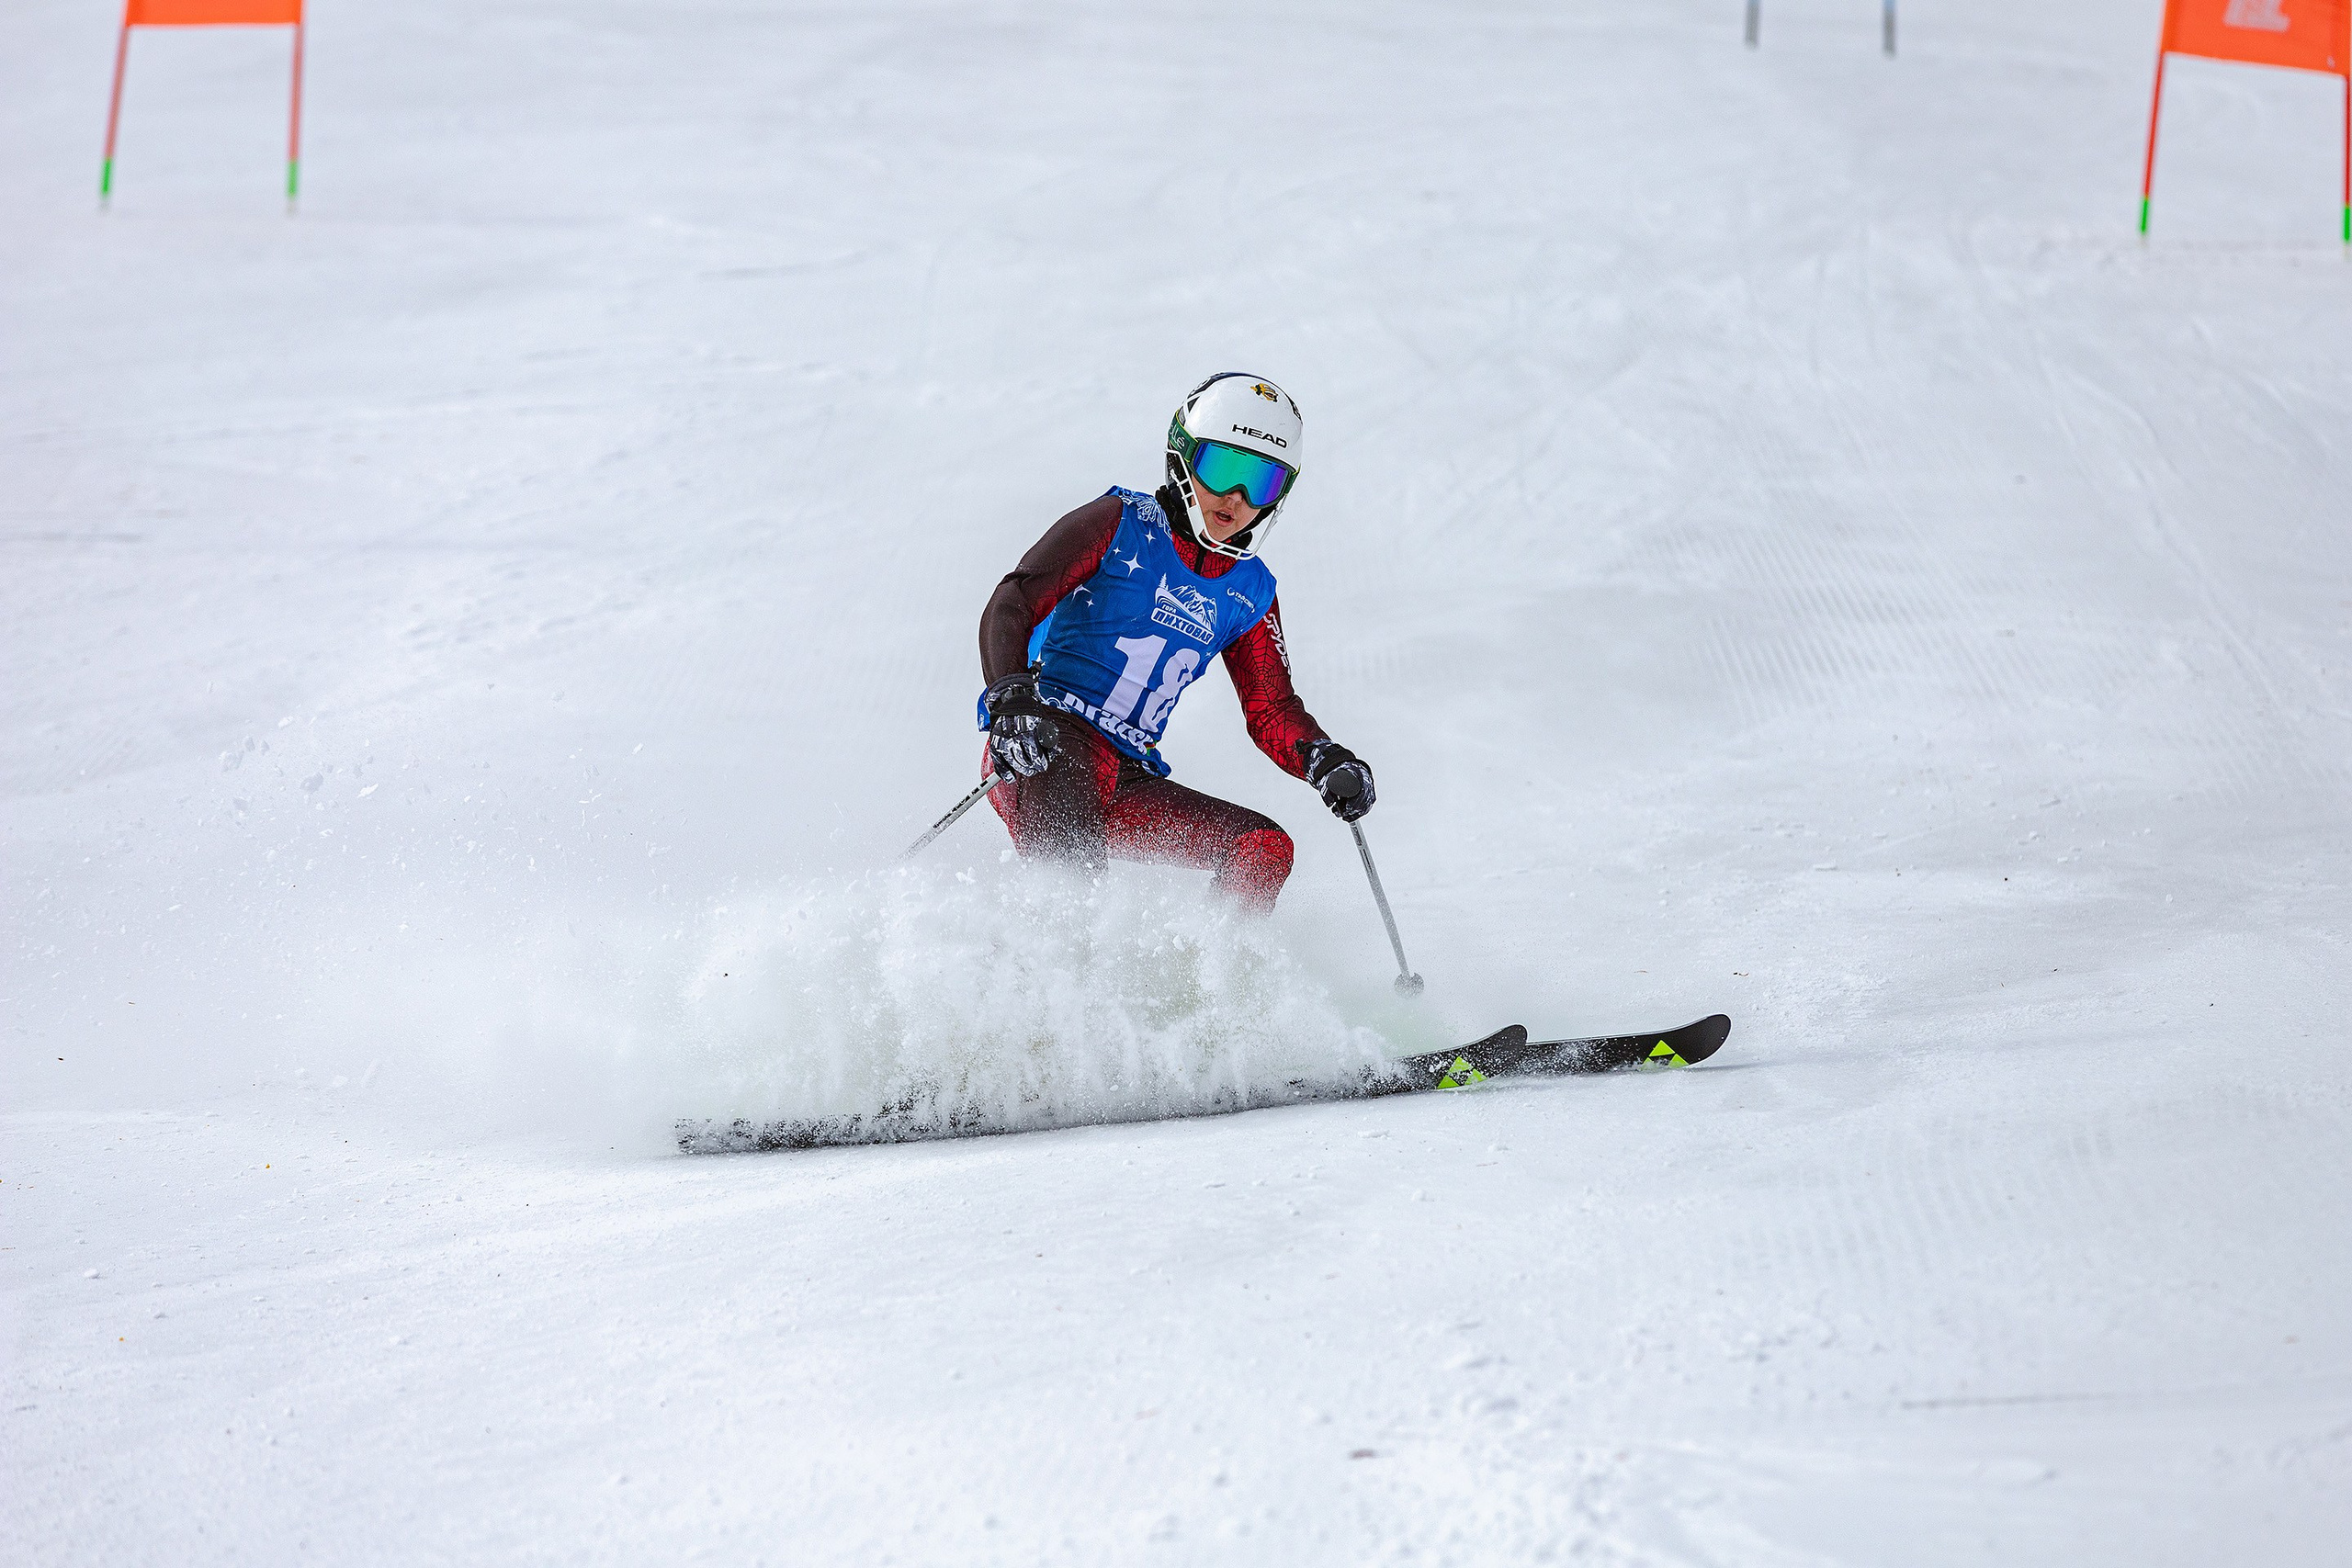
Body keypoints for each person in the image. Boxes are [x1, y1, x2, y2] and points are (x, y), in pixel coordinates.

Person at [977, 372, 1375, 914]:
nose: (1236, 499)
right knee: (1077, 882)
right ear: (1184, 457)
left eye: (1261, 482)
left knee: (1261, 849)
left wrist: (1324, 759)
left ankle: (1213, 982)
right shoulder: (1120, 523)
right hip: (1047, 743)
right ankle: (1045, 984)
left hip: (1127, 773)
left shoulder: (1250, 592)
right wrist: (1011, 701)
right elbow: (1014, 601)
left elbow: (1270, 709)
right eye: (1224, 468)